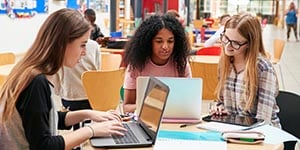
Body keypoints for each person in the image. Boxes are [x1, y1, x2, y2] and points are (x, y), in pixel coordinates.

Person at [0, 8, 126, 150]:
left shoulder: (32, 72)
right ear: (62, 43)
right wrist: (91, 130)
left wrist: (88, 114)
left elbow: (49, 119)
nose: (84, 53)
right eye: (82, 45)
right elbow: (43, 146)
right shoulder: (36, 82)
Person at [209, 13, 281, 128]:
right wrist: (218, 107)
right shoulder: (225, 64)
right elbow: (220, 100)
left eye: (236, 43)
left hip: (261, 134)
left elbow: (264, 120)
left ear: (250, 43)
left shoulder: (263, 68)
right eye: (226, 38)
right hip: (233, 128)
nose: (227, 46)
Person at [122, 14, 192, 113]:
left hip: (176, 119)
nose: (165, 46)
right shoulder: (137, 65)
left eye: (170, 41)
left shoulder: (181, 63)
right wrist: (152, 106)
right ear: (148, 42)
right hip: (146, 120)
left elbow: (189, 103)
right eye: (159, 41)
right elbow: (127, 107)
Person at [53, 39, 100, 129]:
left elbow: (57, 88)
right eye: (82, 45)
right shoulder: (94, 45)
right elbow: (97, 73)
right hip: (91, 99)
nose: (85, 53)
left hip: (69, 98)